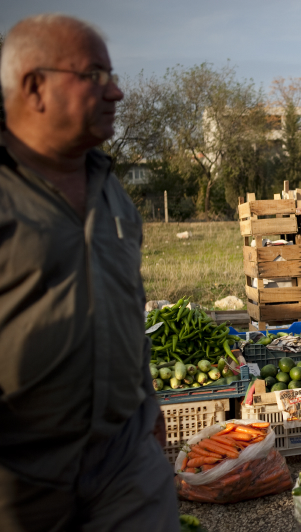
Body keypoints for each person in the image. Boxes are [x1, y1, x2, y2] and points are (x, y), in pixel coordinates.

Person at [0, 15, 179, 531]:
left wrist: (148, 403)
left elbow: (126, 302)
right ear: (35, 86)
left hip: (125, 459)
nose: (117, 92)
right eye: (95, 75)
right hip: (20, 471)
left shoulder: (112, 190)